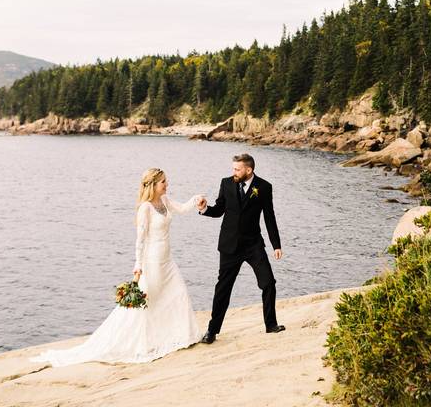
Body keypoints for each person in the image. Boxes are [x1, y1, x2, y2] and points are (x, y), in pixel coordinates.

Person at [30, 168, 205, 366]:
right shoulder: (145, 208)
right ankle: (141, 343)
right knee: (148, 303)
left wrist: (196, 199)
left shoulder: (164, 201)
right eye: (164, 182)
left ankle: (182, 336)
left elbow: (181, 208)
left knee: (178, 293)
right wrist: (138, 265)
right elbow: (140, 240)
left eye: (166, 181)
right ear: (153, 185)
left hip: (167, 259)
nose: (167, 184)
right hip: (152, 261)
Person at [196, 153, 284, 343]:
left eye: (237, 169)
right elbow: (219, 210)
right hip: (229, 246)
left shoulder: (264, 187)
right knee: (223, 289)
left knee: (268, 283)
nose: (233, 172)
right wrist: (204, 209)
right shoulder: (226, 183)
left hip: (253, 245)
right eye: (233, 168)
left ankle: (271, 325)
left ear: (248, 170)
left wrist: (276, 245)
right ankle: (212, 331)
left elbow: (269, 217)